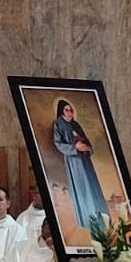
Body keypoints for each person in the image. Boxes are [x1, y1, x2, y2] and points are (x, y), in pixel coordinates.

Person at [51, 99, 109, 231]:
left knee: (92, 186)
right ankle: (88, 220)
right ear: (61, 111)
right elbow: (58, 143)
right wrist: (74, 147)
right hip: (74, 162)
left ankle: (101, 218)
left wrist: (88, 148)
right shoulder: (58, 124)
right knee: (83, 188)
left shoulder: (76, 125)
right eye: (67, 110)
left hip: (85, 161)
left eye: (71, 110)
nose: (70, 112)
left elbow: (85, 140)